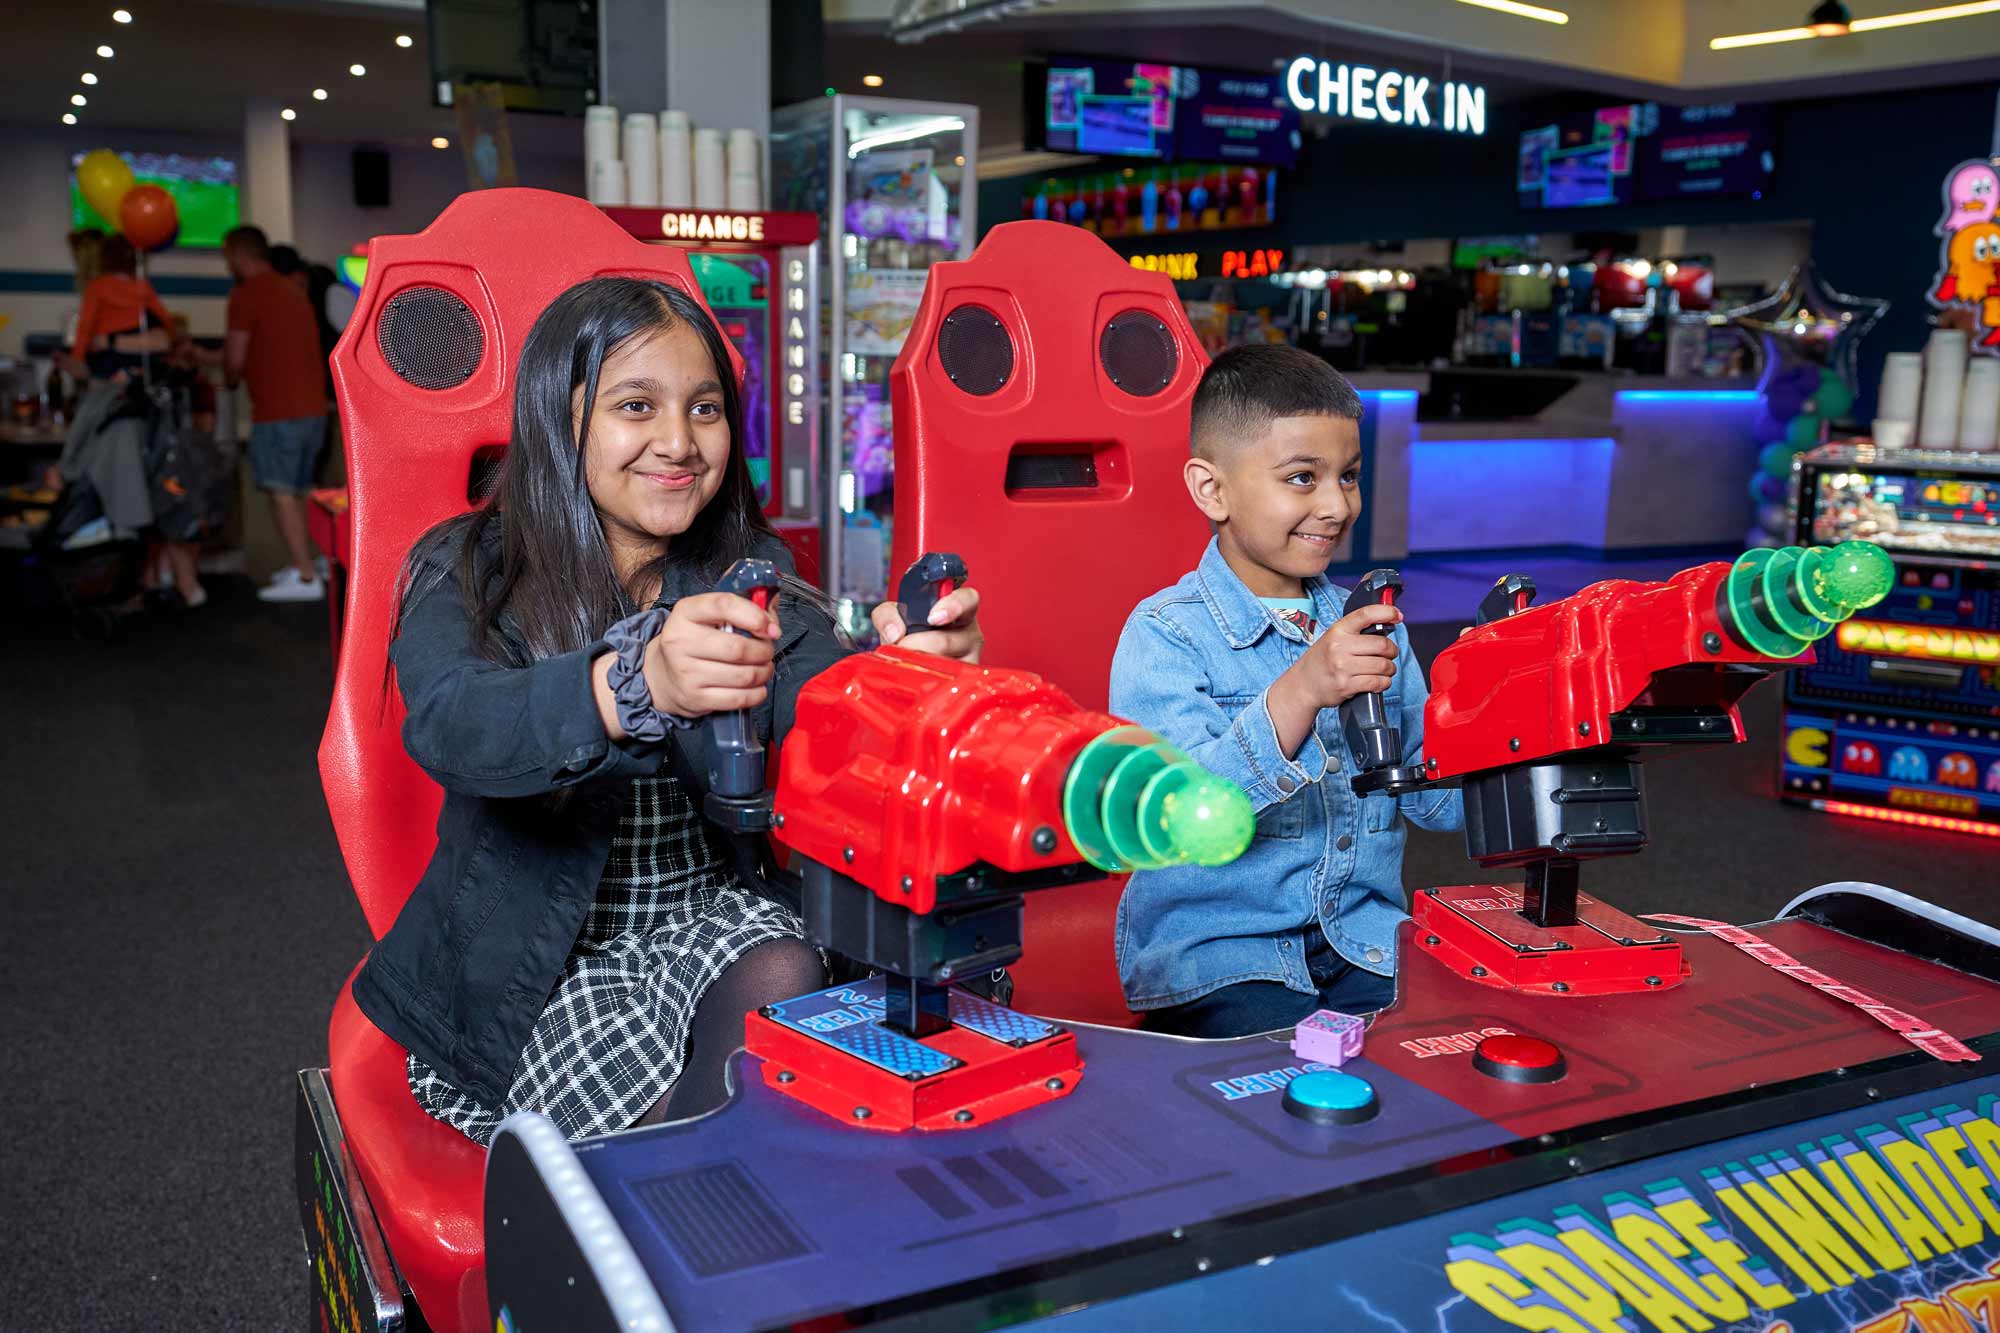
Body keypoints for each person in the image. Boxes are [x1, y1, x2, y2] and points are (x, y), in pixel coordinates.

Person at [351, 276, 983, 1143]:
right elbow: (457, 723)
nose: (678, 442)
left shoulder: (744, 569)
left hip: (716, 927)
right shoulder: (469, 566)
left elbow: (820, 707)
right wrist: (632, 682)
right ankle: (703, 1219)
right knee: (760, 1093)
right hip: (538, 972)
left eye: (706, 409)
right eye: (636, 405)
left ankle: (717, 1216)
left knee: (793, 966)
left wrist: (899, 679)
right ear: (556, 419)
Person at [1108, 344, 1463, 1039]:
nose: (1336, 505)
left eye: (1350, 476)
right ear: (1212, 489)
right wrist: (1301, 688)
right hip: (1222, 957)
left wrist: (1518, 727)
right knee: (1283, 1093)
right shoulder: (1163, 637)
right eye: (1303, 477)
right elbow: (1179, 821)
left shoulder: (1374, 627)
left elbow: (1437, 801)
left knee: (1444, 1055)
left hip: (1366, 940)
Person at [217, 225, 330, 602]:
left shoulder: (247, 295)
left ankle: (304, 577)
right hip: (314, 411)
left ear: (236, 254)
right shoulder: (293, 293)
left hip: (278, 412)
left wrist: (230, 378)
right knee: (299, 491)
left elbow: (234, 360)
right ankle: (312, 565)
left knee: (282, 493)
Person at [66, 233, 177, 381]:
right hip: (136, 351)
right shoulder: (142, 286)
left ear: (104, 259)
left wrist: (77, 356)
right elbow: (164, 317)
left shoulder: (98, 287)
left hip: (108, 354)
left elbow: (86, 324)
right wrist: (172, 332)